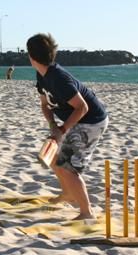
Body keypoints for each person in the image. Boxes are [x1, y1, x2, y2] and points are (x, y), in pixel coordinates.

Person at [27, 33, 109, 220]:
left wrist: (62, 130)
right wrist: (53, 126)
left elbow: (82, 107)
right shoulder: (41, 75)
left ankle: (87, 213)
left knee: (68, 167)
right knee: (54, 157)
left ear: (31, 56)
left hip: (91, 121)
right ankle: (69, 194)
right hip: (76, 119)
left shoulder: (59, 78)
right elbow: (44, 105)